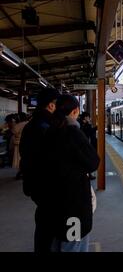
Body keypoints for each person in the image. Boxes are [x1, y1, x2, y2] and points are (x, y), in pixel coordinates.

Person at [43, 95, 99, 252]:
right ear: (75, 111)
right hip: (73, 204)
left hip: (54, 201)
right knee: (73, 243)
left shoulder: (49, 132)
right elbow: (93, 162)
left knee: (58, 242)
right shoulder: (72, 133)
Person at [20, 88, 60, 252]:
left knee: (44, 227)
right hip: (50, 189)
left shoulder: (32, 125)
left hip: (38, 188)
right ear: (51, 106)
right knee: (51, 231)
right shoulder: (47, 128)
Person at [78, 112, 97, 180]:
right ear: (86, 117)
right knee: (86, 159)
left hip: (82, 143)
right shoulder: (84, 124)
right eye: (89, 117)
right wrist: (96, 127)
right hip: (84, 144)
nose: (89, 119)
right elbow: (90, 131)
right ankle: (88, 174)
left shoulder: (80, 123)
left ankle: (88, 174)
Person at [12, 112, 28, 179]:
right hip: (27, 143)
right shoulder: (28, 123)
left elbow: (13, 132)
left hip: (19, 144)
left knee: (19, 159)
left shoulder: (18, 125)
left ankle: (21, 172)